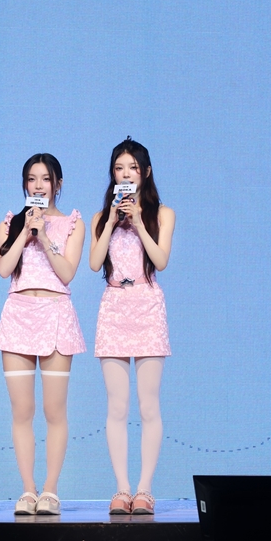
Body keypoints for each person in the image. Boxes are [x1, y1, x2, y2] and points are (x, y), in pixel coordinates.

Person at [0, 153, 86, 515]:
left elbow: (67, 273)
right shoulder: (10, 223)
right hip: (18, 315)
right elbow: (4, 268)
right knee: (22, 410)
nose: (38, 185)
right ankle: (28, 489)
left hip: (55, 314)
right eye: (32, 179)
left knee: (53, 409)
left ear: (58, 184)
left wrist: (44, 236)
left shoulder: (73, 224)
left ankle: (50, 489)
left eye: (45, 179)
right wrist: (26, 231)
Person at [89, 137, 175, 515]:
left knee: (148, 404)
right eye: (119, 169)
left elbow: (161, 260)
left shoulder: (163, 214)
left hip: (147, 304)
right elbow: (94, 263)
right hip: (114, 305)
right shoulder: (100, 217)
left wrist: (138, 222)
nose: (125, 175)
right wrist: (111, 221)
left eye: (133, 169)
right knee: (117, 406)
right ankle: (122, 489)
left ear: (146, 173)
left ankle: (145, 489)